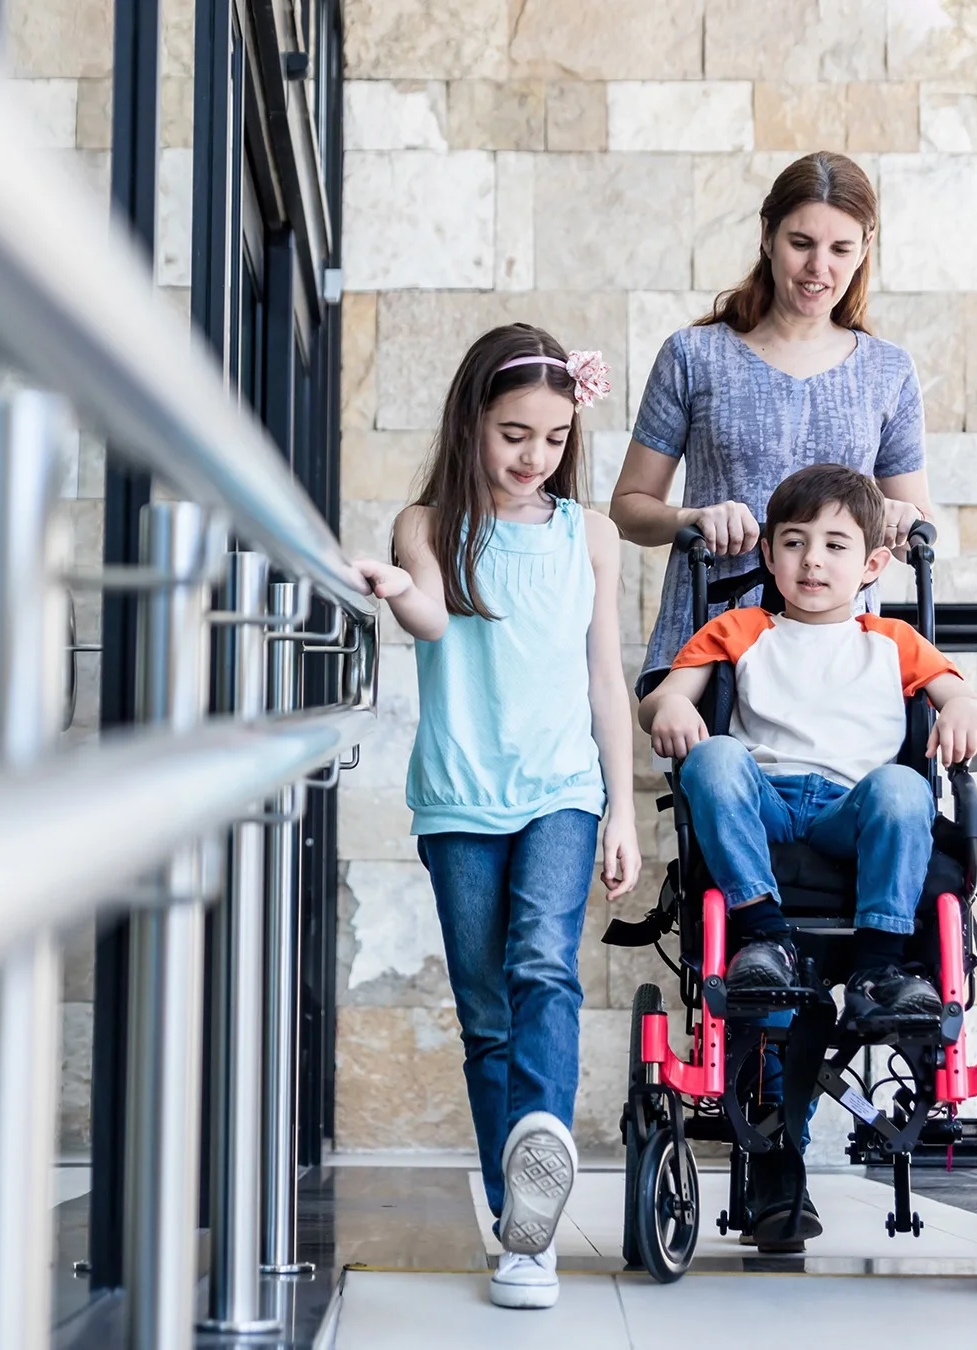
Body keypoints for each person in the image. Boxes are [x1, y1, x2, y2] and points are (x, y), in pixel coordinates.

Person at [351, 324, 640, 1312]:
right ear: (470, 421)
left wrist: (621, 810)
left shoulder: (589, 535)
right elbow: (432, 615)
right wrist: (395, 592)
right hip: (461, 801)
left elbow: (607, 677)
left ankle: (539, 1196)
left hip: (562, 790)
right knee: (484, 1017)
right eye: (514, 433)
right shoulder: (427, 527)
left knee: (542, 970)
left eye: (555, 439)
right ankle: (518, 1228)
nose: (533, 457)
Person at [637, 466, 977, 1244]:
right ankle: (761, 930)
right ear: (768, 554)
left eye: (835, 545)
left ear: (871, 564)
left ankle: (877, 967)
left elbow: (961, 697)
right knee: (713, 761)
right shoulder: (741, 629)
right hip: (764, 805)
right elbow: (668, 693)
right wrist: (670, 710)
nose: (812, 561)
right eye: (794, 543)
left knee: (906, 788)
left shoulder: (895, 641)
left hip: (847, 808)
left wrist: (965, 711)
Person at [609, 151, 937, 677]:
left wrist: (903, 521)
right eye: (801, 243)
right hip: (709, 645)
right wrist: (692, 520)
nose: (818, 267)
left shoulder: (888, 371)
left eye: (840, 248)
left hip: (839, 658)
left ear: (865, 249)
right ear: (767, 236)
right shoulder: (694, 356)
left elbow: (912, 529)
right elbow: (628, 509)